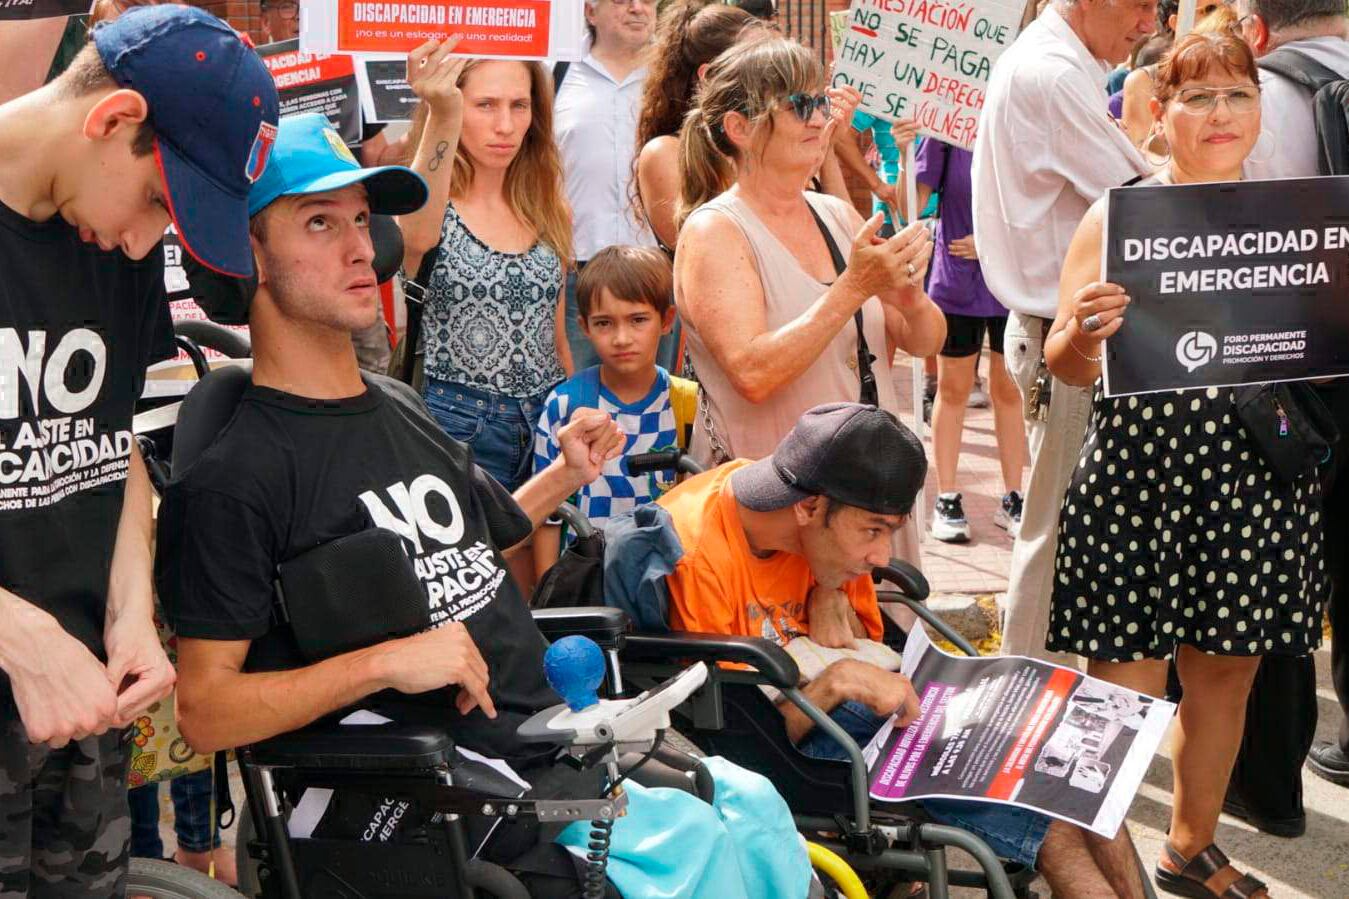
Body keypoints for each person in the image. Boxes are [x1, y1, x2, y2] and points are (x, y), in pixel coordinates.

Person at [157, 113, 808, 898]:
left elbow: (482, 534)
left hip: (554, 742)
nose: (361, 248)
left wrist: (565, 473)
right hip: (452, 797)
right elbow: (205, 710)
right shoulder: (234, 479)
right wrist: (386, 662)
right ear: (244, 256)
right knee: (695, 853)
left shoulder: (396, 404)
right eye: (319, 223)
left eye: (363, 221)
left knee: (755, 808)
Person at [0, 7, 277, 894]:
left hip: (81, 705)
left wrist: (126, 611)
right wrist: (20, 631)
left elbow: (106, 439)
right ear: (113, 118)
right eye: (160, 202)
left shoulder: (106, 241)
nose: (140, 242)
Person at [657, 403, 1147, 899]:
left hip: (884, 707)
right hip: (809, 746)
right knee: (1053, 817)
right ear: (807, 508)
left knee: (1087, 778)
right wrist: (837, 680)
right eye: (874, 529)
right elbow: (748, 743)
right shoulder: (697, 557)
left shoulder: (796, 494)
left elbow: (873, 634)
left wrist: (827, 588)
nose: (882, 557)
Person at [1046, 32, 1325, 899]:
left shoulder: (1299, 217)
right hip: (1140, 477)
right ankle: (1092, 857)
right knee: (1122, 690)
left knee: (1226, 672)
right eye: (1197, 98)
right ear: (1155, 115)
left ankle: (1188, 846)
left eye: (1237, 96)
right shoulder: (1117, 215)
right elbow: (1061, 360)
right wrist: (1084, 333)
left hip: (1252, 476)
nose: (1219, 115)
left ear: (1258, 110)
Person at [674, 37, 946, 567]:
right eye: (801, 106)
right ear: (740, 128)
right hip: (778, 514)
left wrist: (910, 298)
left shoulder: (836, 215)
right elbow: (753, 373)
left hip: (862, 501)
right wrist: (852, 289)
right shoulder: (716, 231)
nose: (821, 119)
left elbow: (925, 340)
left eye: (822, 102)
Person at [971, 0, 1154, 663]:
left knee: (1064, 527)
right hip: (1065, 330)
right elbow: (1142, 192)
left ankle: (1035, 698)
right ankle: (1026, 701)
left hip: (1063, 324)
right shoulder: (1051, 72)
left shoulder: (1059, 63)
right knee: (1056, 530)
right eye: (1140, 6)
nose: (1149, 24)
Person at [1232, 0, 1349, 826]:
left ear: (1256, 27)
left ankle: (1265, 780)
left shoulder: (1256, 101)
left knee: (1274, 571)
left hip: (1290, 378)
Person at [399, 42, 573, 508]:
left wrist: (575, 411)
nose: (506, 125)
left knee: (544, 575)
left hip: (548, 422)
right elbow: (412, 235)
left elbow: (554, 339)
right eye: (485, 105)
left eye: (520, 105)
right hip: (458, 422)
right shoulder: (434, 204)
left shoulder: (546, 205)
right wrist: (441, 112)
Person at [897, 126, 1027, 543]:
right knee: (952, 390)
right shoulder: (944, 133)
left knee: (1010, 390)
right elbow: (908, 209)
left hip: (1011, 281)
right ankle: (947, 497)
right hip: (955, 285)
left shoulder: (1018, 128)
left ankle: (1014, 496)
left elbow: (1042, 206)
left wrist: (993, 241)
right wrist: (904, 150)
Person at [532, 245, 696, 569]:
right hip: (586, 580)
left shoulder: (687, 404)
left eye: (638, 320)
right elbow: (548, 516)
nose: (622, 338)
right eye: (605, 323)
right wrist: (551, 607)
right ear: (584, 326)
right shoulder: (565, 405)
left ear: (666, 320)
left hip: (666, 579)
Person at [554, 0, 659, 372]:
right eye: (621, 0)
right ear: (589, 11)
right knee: (581, 393)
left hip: (656, 267)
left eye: (647, 0)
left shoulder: (669, 78)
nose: (637, 9)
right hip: (576, 270)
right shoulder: (554, 74)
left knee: (658, 393)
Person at [633, 0, 763, 255]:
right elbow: (698, 252)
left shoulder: (773, 139)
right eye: (756, 61)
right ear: (710, 74)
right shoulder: (664, 153)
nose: (772, 73)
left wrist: (824, 149)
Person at [1122, 2, 1233, 147]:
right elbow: (1141, 160)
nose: (1221, 16)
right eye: (1209, 9)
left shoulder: (1242, 78)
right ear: (1176, 22)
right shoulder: (1143, 82)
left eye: (1225, 7)